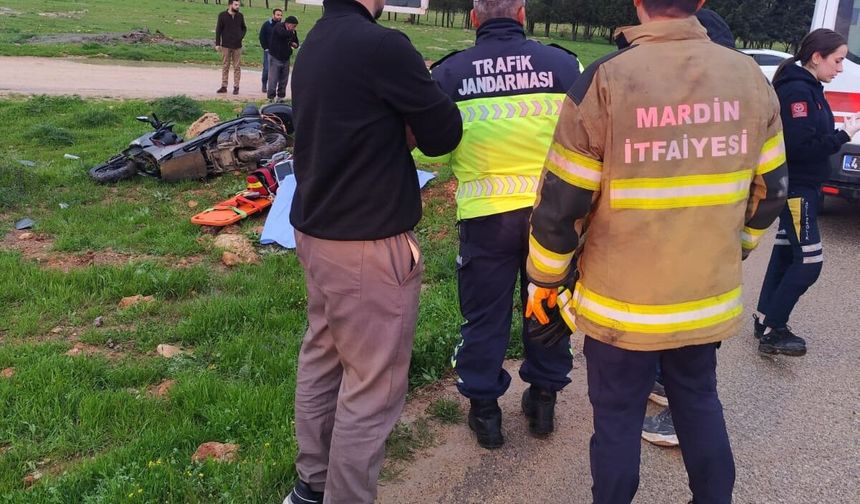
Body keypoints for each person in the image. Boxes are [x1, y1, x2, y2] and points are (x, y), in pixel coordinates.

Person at [525, 0, 788, 502]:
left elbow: (562, 205)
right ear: (701, 3)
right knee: (699, 402)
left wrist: (545, 278)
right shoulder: (752, 79)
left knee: (617, 420)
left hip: (621, 306)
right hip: (703, 297)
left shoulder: (606, 80)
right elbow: (771, 191)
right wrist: (735, 249)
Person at [285, 0, 462, 500]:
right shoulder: (385, 46)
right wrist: (426, 84)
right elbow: (443, 134)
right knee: (371, 387)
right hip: (368, 242)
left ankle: (312, 484)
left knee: (322, 357)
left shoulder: (317, 40)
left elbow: (354, 128)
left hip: (317, 232)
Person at [414, 0, 580, 449]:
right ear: (522, 14)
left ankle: (485, 412)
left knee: (485, 315)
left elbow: (430, 150)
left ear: (474, 19)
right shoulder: (564, 65)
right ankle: (543, 401)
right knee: (547, 304)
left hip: (486, 218)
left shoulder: (450, 73)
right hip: (551, 216)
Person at [640, 5, 736, 448]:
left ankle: (679, 417)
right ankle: (667, 385)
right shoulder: (735, 91)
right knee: (690, 344)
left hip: (681, 244)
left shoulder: (687, 89)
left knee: (692, 362)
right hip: (709, 246)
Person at [754, 29, 860, 356]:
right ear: (817, 57)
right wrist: (844, 135)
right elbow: (799, 147)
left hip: (803, 186)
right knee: (810, 261)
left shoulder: (810, 87)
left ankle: (764, 319)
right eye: (837, 60)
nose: (840, 68)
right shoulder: (798, 91)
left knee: (786, 254)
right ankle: (774, 330)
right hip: (798, 188)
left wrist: (839, 132)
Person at [214, 0, 247, 95]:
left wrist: (240, 36)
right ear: (230, 5)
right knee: (225, 65)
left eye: (238, 5)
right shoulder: (222, 15)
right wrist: (217, 43)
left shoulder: (240, 16)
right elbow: (218, 30)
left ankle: (236, 87)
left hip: (237, 45)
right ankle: (224, 86)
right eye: (235, 5)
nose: (237, 6)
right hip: (226, 45)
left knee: (237, 66)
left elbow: (244, 28)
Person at [267, 16, 300, 103]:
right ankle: (271, 97)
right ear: (288, 24)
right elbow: (283, 34)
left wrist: (294, 44)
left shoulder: (292, 31)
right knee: (273, 78)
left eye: (295, 27)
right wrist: (292, 33)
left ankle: (281, 97)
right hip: (275, 57)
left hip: (286, 58)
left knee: (284, 79)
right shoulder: (279, 27)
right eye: (294, 26)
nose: (294, 28)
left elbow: (296, 42)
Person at [259, 8, 283, 94]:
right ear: (273, 15)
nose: (279, 17)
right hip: (268, 51)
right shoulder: (267, 24)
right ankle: (264, 85)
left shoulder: (283, 26)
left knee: (278, 70)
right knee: (266, 69)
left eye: (281, 15)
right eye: (278, 15)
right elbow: (262, 36)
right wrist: (265, 48)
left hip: (279, 52)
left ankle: (274, 88)